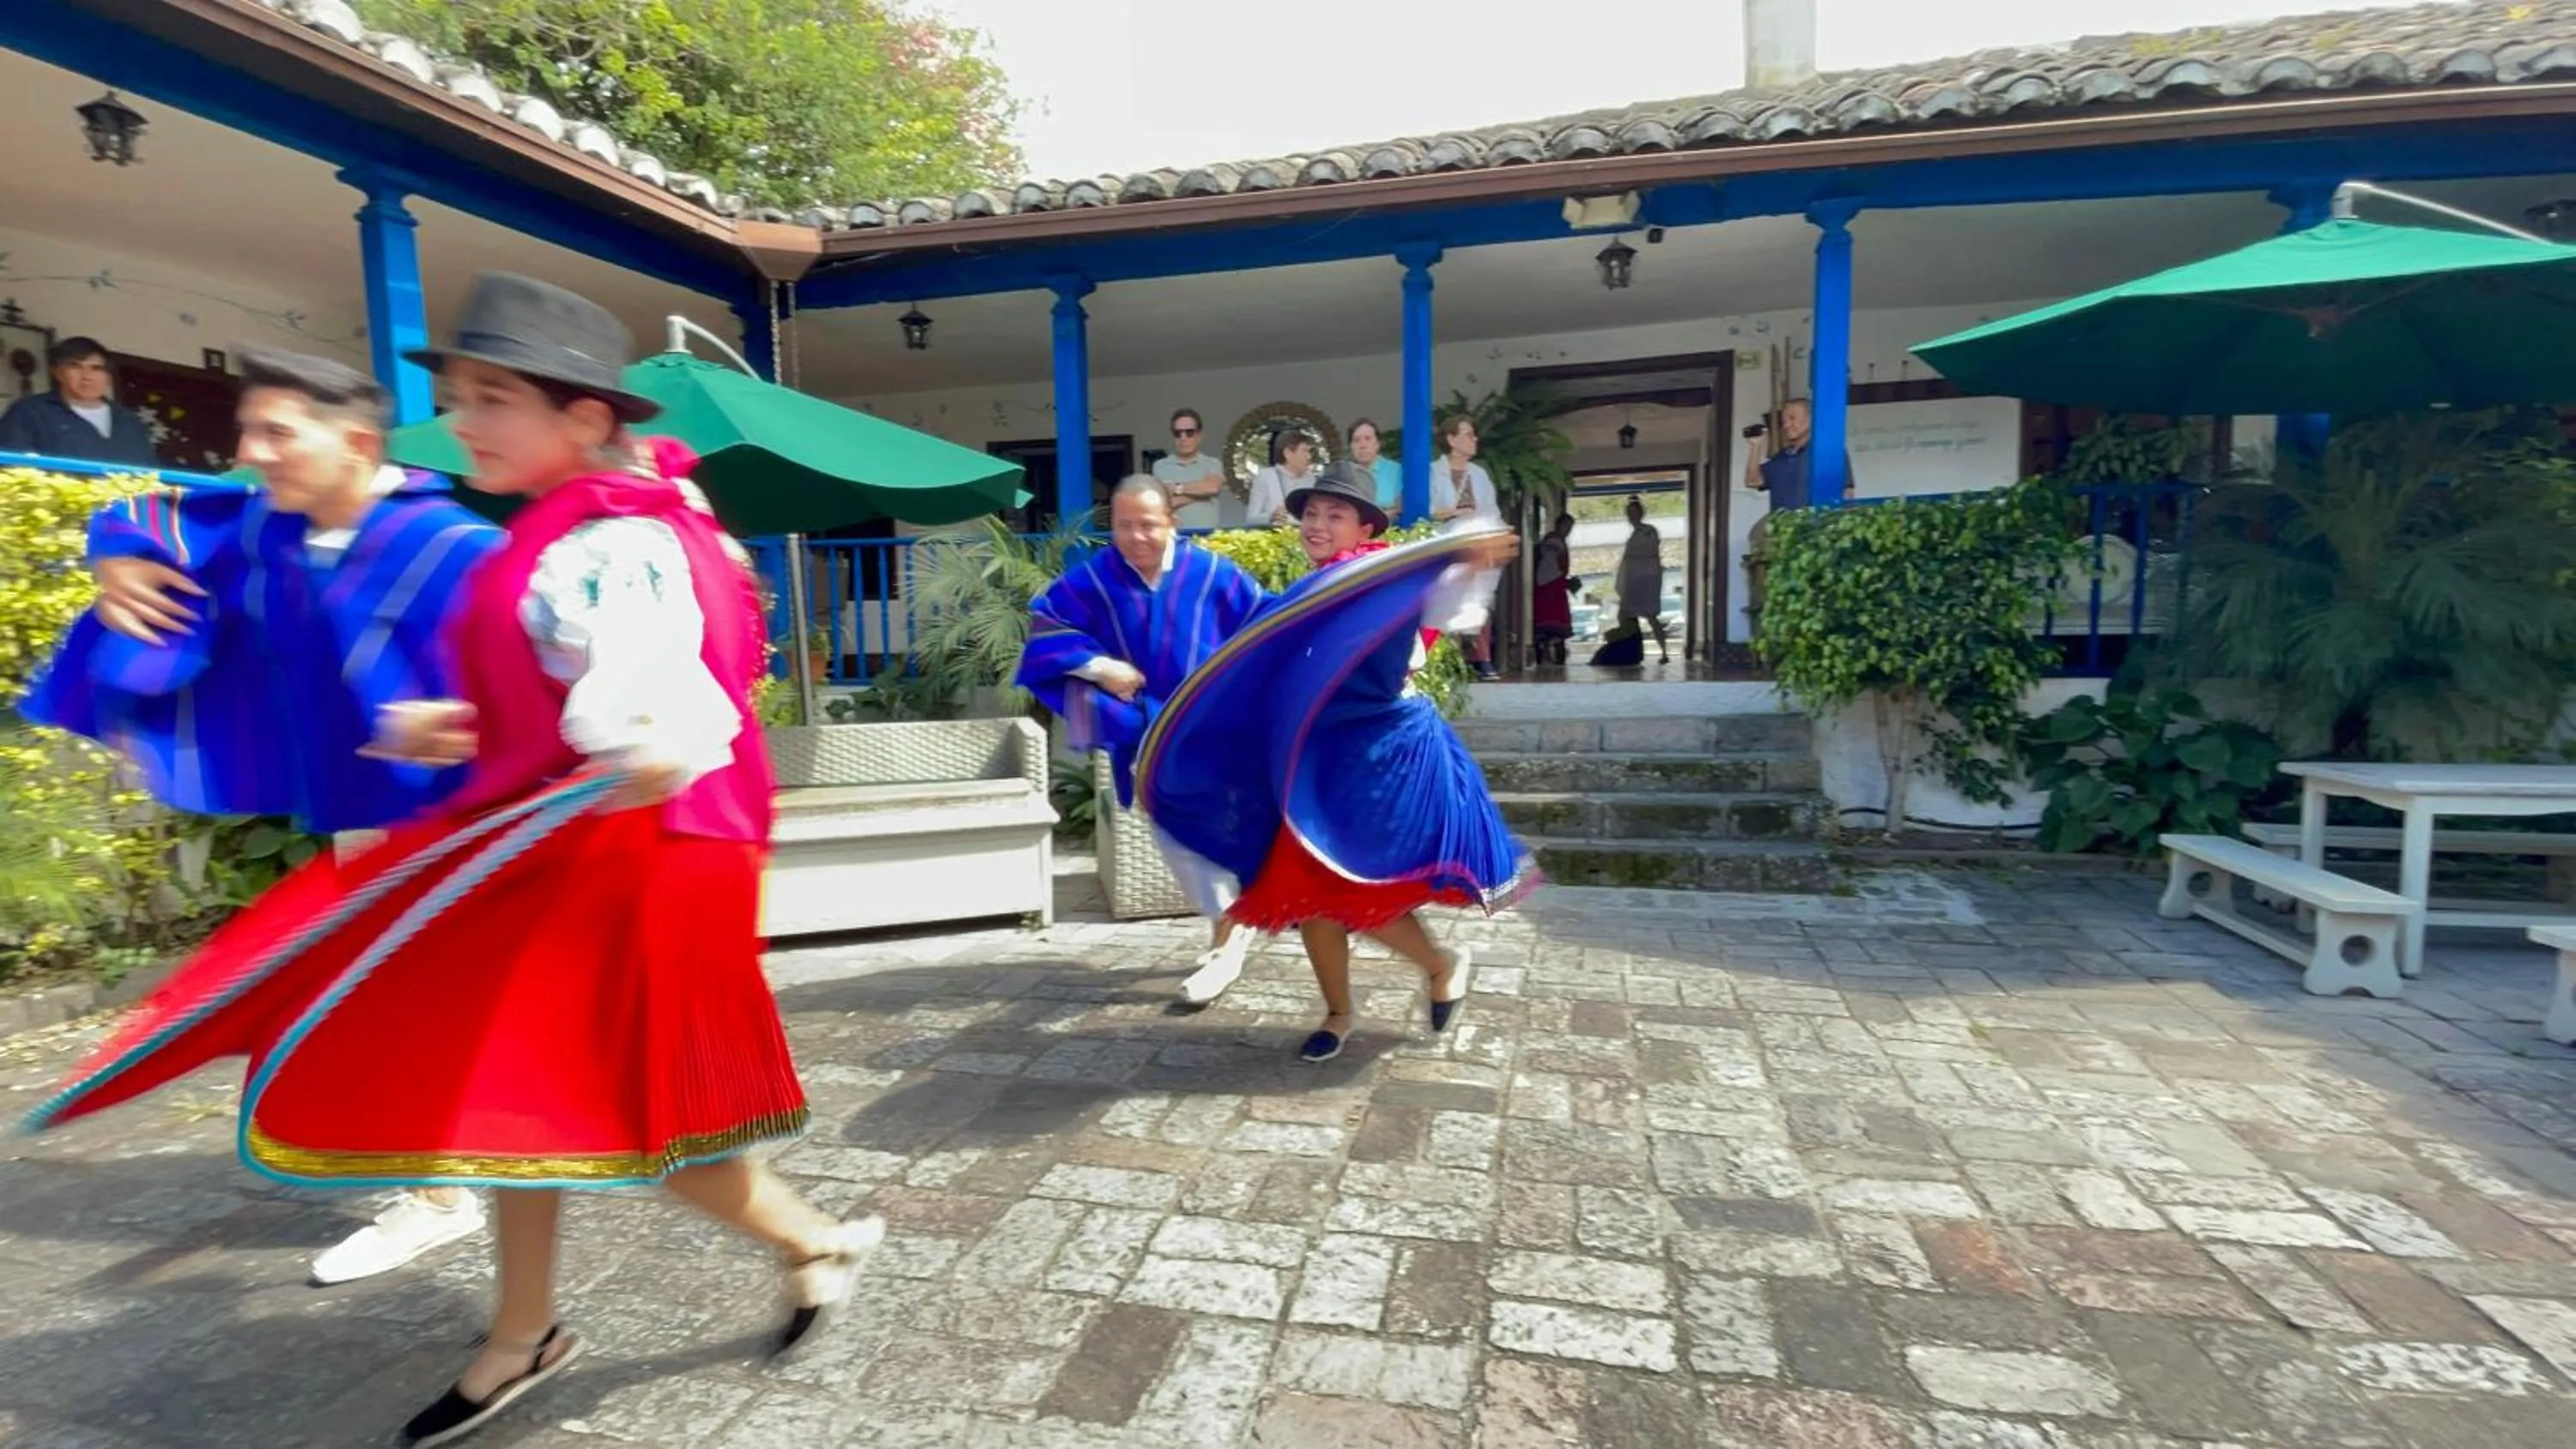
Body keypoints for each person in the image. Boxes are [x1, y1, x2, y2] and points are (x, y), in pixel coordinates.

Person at [21, 274, 878, 1448]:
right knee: (510, 1092)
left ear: (584, 418)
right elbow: (575, 707)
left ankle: (806, 1244)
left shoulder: (617, 537)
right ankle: (528, 1330)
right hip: (598, 848)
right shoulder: (568, 525)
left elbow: (655, 732)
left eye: (494, 396)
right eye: (460, 394)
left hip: (640, 861)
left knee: (634, 1120)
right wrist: (470, 731)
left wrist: (569, 761)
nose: (467, 420)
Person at [19, 345, 508, 1288]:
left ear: (356, 441)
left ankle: (449, 1191)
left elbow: (550, 683)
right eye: (249, 430)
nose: (251, 451)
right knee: (382, 1000)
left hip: (470, 828)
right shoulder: (266, 529)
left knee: (405, 1002)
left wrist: (473, 722)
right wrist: (115, 564)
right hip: (360, 817)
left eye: (276, 431)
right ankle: (452, 1180)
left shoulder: (457, 547)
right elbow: (150, 515)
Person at [1138, 461, 1534, 1063]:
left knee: (1351, 886)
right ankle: (1339, 1012)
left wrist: (1465, 555)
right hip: (1317, 757)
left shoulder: (1382, 578)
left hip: (1382, 755)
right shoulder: (1315, 590)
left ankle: (1440, 962)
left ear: (1364, 527)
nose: (1317, 524)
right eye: (1311, 514)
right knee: (1305, 887)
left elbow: (1445, 582)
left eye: (1334, 514)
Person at [1018, 474, 1268, 1003]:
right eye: (1125, 526)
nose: (1137, 537)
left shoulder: (1213, 575)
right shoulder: (1095, 579)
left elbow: (1266, 625)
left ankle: (1228, 934)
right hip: (1146, 733)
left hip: (1217, 729)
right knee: (1170, 829)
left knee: (1218, 826)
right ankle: (1230, 924)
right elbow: (1048, 628)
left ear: (1172, 523)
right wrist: (1100, 667)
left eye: (1149, 525)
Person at [1744, 397, 1856, 630]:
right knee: (1783, 601)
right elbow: (1753, 480)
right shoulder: (1782, 458)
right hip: (1784, 542)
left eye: (1793, 418)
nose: (1788, 425)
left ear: (1810, 420)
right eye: (1785, 420)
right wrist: (1755, 447)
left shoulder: (1829, 453)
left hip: (1817, 540)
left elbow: (1847, 494)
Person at [0, 335, 159, 467]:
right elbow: (11, 471)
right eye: (75, 366)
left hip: (126, 505)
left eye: (96, 368)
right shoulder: (29, 413)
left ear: (108, 375)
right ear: (57, 372)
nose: (87, 376)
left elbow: (152, 477)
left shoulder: (130, 421)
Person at [1431, 415, 1503, 680]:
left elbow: (1491, 510)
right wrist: (1453, 511)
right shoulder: (1433, 472)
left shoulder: (1480, 475)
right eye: (1468, 434)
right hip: (1446, 543)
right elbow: (1426, 510)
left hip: (1476, 544)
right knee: (1446, 602)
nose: (1475, 440)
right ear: (1452, 440)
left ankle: (1482, 659)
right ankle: (1449, 663)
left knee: (1479, 600)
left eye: (1474, 434)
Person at [1615, 495, 1670, 664]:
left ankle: (1664, 652)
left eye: (1634, 512)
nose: (1632, 516)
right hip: (1633, 579)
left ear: (1641, 513)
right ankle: (1631, 650)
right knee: (1625, 615)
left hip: (1646, 579)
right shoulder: (1634, 534)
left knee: (1651, 616)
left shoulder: (1649, 531)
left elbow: (1649, 552)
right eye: (1629, 513)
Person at [1153, 407, 1227, 530]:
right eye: (1178, 433)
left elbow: (1211, 488)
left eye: (1189, 433)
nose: (1183, 438)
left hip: (1209, 539)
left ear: (1200, 435)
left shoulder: (1213, 463)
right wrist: (1203, 494)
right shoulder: (1160, 466)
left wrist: (1176, 488)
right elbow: (1167, 504)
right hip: (1175, 538)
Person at [1242, 427, 1319, 527]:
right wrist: (1271, 517)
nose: (1309, 457)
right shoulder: (1266, 477)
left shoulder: (1313, 481)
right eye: (1304, 451)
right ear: (1287, 453)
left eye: (1309, 452)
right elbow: (1250, 519)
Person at [1532, 511, 1576, 665]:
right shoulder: (1554, 543)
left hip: (1552, 589)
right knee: (1552, 625)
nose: (1568, 530)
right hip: (1550, 591)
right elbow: (1547, 571)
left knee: (1548, 627)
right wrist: (1562, 582)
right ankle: (1551, 653)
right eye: (1567, 526)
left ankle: (1547, 652)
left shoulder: (1555, 542)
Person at [1347, 417, 1404, 516]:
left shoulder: (1396, 472)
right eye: (1356, 440)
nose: (1362, 445)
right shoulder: (1344, 474)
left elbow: (1402, 507)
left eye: (1368, 439)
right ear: (1350, 446)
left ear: (1378, 444)